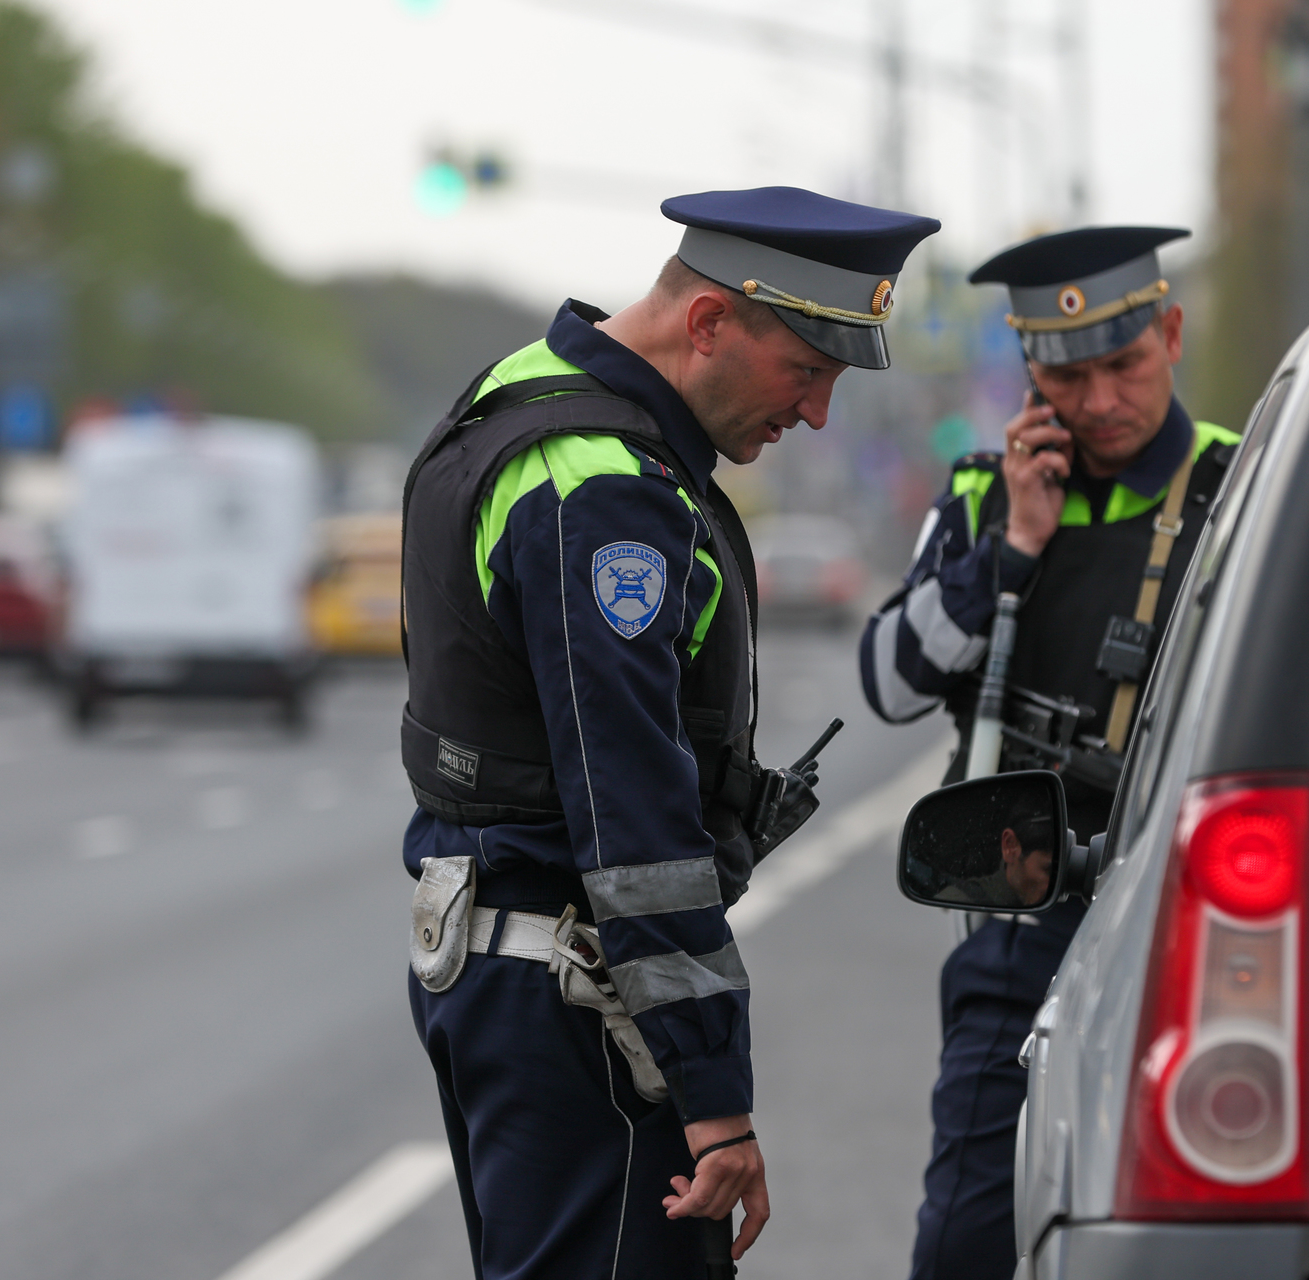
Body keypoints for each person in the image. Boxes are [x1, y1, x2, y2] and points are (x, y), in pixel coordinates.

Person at [401, 186, 938, 1278]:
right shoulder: (604, 491)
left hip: (505, 975)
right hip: (582, 1003)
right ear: (709, 325)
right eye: (809, 370)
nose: (819, 413)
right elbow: (632, 819)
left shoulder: (516, 394)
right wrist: (715, 1100)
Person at [859, 226, 1242, 1280]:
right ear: (1032, 373)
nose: (1103, 399)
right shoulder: (986, 494)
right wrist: (1011, 550)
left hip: (1188, 919)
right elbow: (888, 683)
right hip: (1019, 918)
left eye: (1126, 364)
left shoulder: (1242, 489)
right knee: (963, 1242)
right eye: (1070, 376)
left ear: (1169, 334)